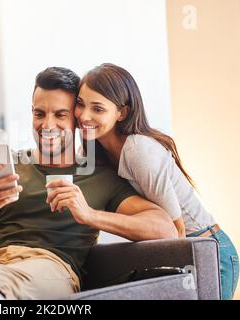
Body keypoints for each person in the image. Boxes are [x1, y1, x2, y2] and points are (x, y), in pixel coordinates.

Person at [0, 67, 177, 300]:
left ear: (77, 121)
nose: (47, 125)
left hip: (50, 268)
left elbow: (164, 229)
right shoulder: (0, 167)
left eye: (60, 115)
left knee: (18, 280)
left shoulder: (99, 177)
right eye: (39, 114)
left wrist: (90, 215)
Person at [75, 63, 239, 300]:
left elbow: (177, 232)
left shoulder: (137, 151)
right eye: (80, 104)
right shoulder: (95, 152)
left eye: (98, 109)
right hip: (187, 251)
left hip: (208, 250)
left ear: (122, 113)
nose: (84, 116)